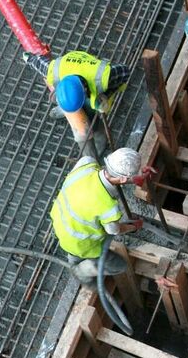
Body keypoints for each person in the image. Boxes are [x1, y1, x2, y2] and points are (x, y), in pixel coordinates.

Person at [50, 148, 144, 284]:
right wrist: (133, 226)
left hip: (60, 222)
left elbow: (107, 181)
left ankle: (75, 260)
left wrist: (135, 179)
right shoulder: (107, 207)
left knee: (74, 252)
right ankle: (79, 271)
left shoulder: (87, 163)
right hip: (82, 244)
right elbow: (114, 230)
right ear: (123, 178)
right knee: (120, 266)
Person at [26, 50, 131, 115]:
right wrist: (28, 58)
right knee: (70, 101)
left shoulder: (104, 76)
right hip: (79, 78)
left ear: (85, 91)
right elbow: (38, 63)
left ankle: (94, 125)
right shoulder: (55, 71)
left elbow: (125, 71)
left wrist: (107, 94)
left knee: (94, 108)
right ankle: (68, 109)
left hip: (96, 78)